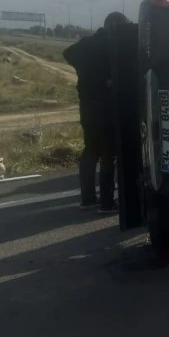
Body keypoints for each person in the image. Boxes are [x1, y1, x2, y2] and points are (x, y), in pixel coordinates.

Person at [63, 12, 129, 213]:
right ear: (118, 26)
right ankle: (107, 203)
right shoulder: (113, 45)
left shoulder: (88, 43)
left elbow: (68, 53)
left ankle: (88, 199)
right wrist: (105, 80)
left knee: (90, 151)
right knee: (109, 154)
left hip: (88, 108)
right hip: (106, 108)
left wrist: (85, 73)